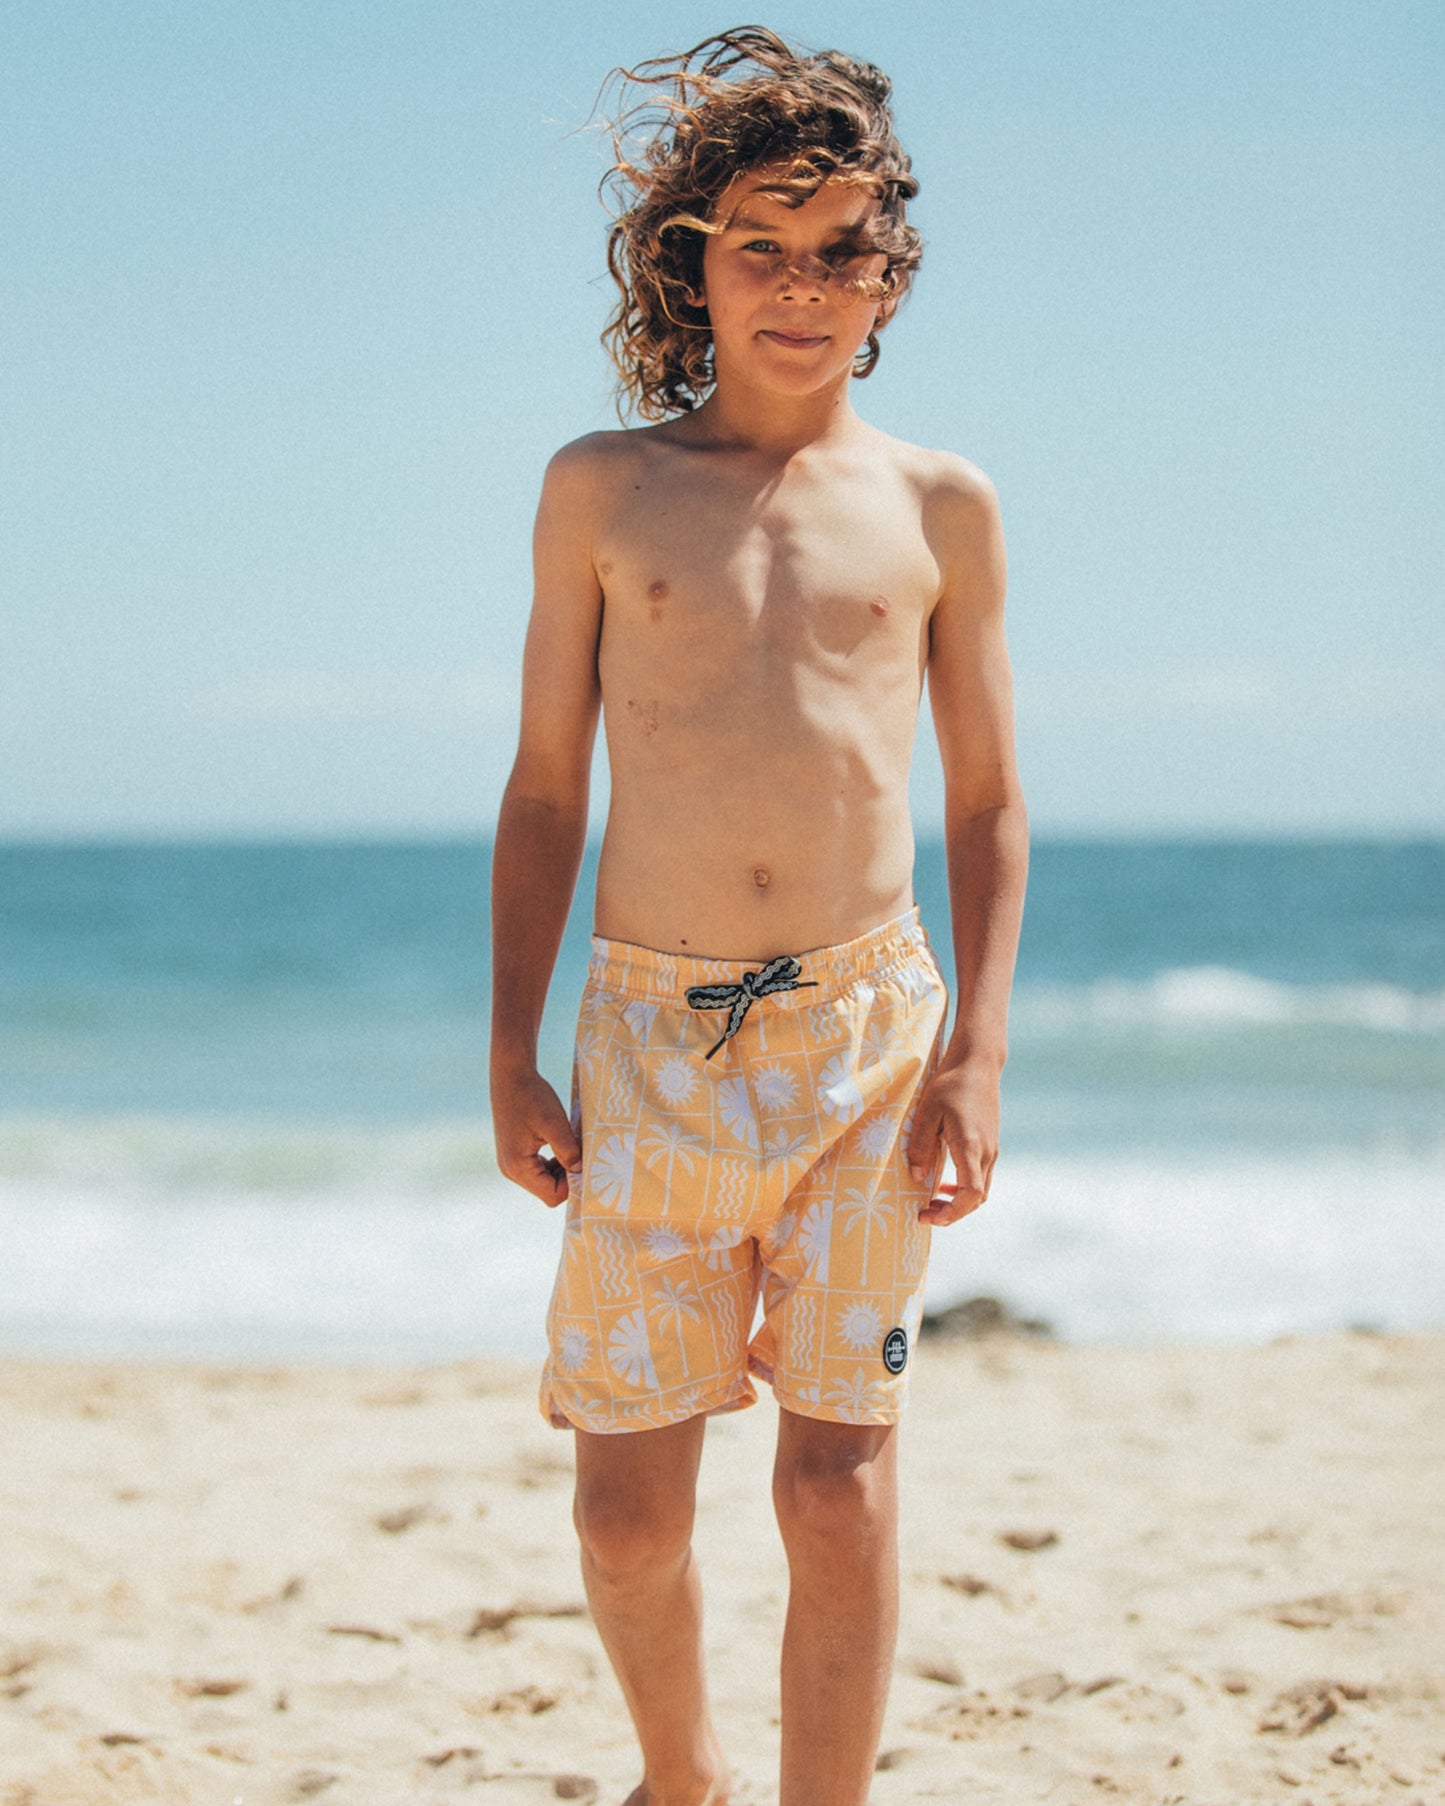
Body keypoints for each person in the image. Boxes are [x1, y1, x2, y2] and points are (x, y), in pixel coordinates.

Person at [490, 26, 1028, 1806]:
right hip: (650, 1039)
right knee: (625, 1513)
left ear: (890, 275)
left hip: (870, 1036)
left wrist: (975, 1051)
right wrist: (510, 1046)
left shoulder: (939, 505)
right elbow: (547, 789)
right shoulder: (602, 488)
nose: (802, 286)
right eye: (761, 248)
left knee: (833, 1482)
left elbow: (984, 801)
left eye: (840, 251)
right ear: (694, 265)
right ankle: (684, 1772)